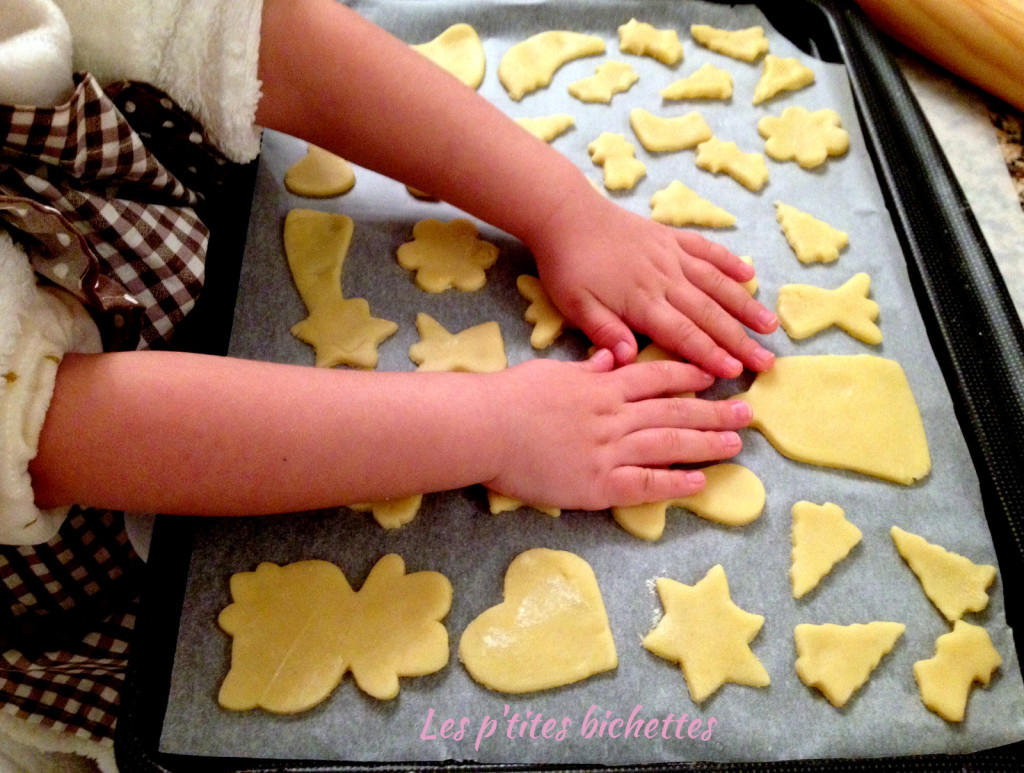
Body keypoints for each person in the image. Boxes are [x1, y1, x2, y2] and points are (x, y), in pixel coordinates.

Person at [0, 0, 777, 769]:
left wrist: (560, 204)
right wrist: (496, 427)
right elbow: (58, 426)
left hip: (217, 236)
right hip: (111, 567)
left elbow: (233, 32)